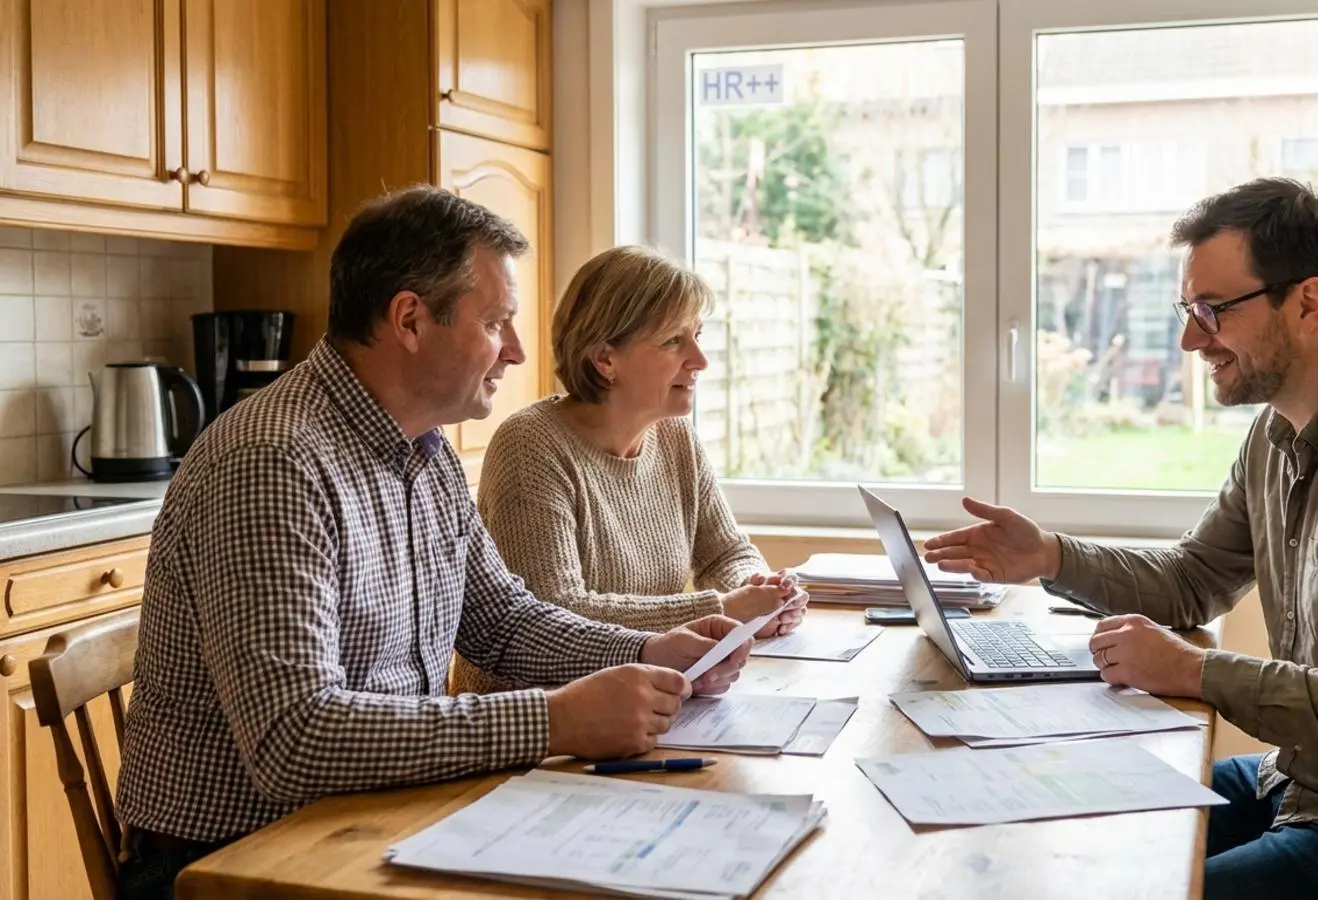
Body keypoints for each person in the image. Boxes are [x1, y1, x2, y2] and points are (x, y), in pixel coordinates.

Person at [923, 178, 1318, 900]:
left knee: (1142, 883)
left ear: (1308, 303)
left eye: (1213, 310)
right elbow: (1195, 579)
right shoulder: (1278, 432)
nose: (1192, 339)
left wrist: (1196, 673)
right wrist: (1049, 556)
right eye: (1189, 311)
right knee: (1072, 818)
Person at [114, 188, 752, 899]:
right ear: (410, 320)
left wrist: (647, 649)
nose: (516, 350)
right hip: (235, 860)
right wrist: (553, 721)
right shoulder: (273, 462)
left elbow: (503, 621)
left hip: (376, 817)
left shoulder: (425, 449)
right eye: (496, 323)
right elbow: (295, 738)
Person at [459, 246, 805, 693]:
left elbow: (726, 552)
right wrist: (723, 608)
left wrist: (761, 589)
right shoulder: (530, 445)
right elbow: (553, 610)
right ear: (606, 359)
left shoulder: (675, 438)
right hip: (537, 712)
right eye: (674, 341)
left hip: (641, 694)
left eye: (698, 335)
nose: (700, 360)